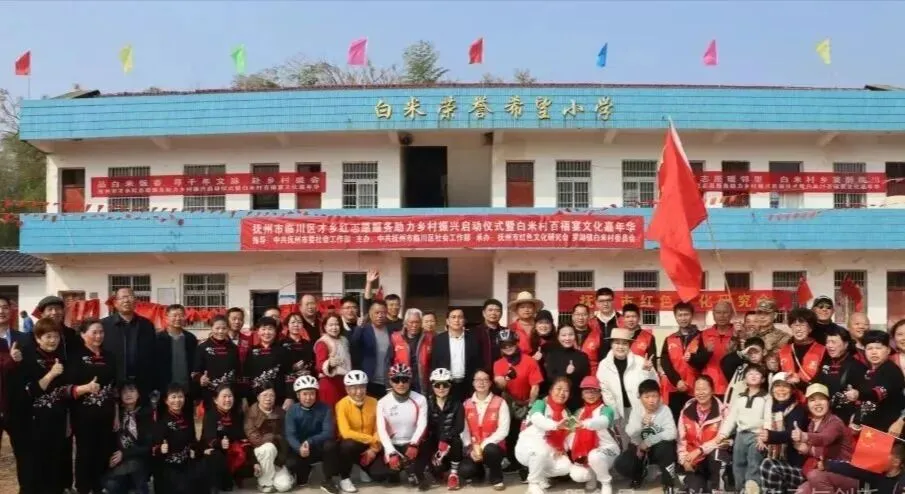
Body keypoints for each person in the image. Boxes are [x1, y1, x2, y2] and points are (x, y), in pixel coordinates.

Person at [22, 317, 101, 494]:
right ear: (38, 338)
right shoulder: (29, 359)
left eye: (56, 336)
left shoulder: (62, 359)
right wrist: (51, 374)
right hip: (36, 421)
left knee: (57, 463)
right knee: (38, 466)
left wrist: (84, 388)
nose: (53, 340)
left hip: (59, 419)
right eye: (48, 336)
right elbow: (31, 391)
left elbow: (66, 390)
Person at [70, 318, 119, 494]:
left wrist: (116, 414)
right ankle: (83, 488)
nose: (99, 336)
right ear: (83, 334)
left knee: (104, 450)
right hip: (84, 414)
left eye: (101, 332)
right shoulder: (75, 356)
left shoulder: (110, 356)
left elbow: (115, 388)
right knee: (85, 452)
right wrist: (85, 388)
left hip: (106, 412)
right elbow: (70, 386)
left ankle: (100, 487)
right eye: (94, 332)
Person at [492, 329, 541, 478]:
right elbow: (500, 384)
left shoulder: (529, 361)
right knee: (510, 433)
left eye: (511, 344)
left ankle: (526, 465)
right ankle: (513, 461)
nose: (508, 347)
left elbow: (535, 386)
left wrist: (531, 405)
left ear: (516, 343)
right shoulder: (498, 364)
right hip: (508, 400)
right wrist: (505, 379)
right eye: (504, 345)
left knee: (526, 434)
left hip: (526, 400)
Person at [713, 364, 769, 494]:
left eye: (757, 374)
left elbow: (768, 419)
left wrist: (764, 436)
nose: (753, 376)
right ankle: (740, 489)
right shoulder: (740, 397)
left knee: (754, 463)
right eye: (750, 373)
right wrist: (722, 434)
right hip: (740, 435)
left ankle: (752, 489)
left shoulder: (766, 397)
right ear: (745, 378)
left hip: (756, 435)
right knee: (738, 464)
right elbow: (732, 418)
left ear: (763, 379)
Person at [596, 328, 658, 445]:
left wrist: (648, 372)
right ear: (611, 344)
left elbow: (654, 385)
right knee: (624, 442)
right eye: (617, 343)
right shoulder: (604, 365)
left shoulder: (641, 362)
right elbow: (605, 391)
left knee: (643, 441)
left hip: (640, 408)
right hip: (619, 411)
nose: (620, 347)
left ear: (629, 345)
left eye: (624, 343)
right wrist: (615, 413)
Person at [372, 363, 430, 489]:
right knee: (379, 474)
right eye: (396, 380)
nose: (401, 384)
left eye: (405, 379)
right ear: (390, 382)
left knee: (417, 475)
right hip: (393, 444)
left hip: (411, 443)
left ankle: (413, 470)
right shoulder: (382, 402)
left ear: (410, 381)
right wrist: (391, 452)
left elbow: (422, 424)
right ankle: (399, 470)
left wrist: (414, 444)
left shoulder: (420, 399)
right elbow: (381, 430)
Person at [790, 383, 855, 494]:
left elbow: (825, 438)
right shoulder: (812, 424)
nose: (817, 403)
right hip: (826, 473)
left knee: (815, 475)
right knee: (801, 491)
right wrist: (805, 449)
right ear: (807, 404)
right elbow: (819, 450)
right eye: (812, 400)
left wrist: (805, 437)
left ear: (828, 402)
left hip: (846, 474)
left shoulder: (835, 422)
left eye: (821, 399)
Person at [614, 379, 678, 490]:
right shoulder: (636, 410)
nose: (651, 400)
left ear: (659, 396)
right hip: (639, 448)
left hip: (658, 448)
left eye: (654, 396)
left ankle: (668, 483)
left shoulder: (665, 410)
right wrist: (641, 423)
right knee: (622, 463)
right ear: (640, 398)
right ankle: (639, 475)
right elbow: (630, 432)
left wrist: (648, 441)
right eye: (647, 397)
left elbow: (672, 433)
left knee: (667, 448)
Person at [515, 377, 576, 494]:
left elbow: (569, 435)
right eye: (559, 389)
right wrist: (555, 425)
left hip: (549, 451)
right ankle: (533, 483)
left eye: (566, 390)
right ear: (551, 390)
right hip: (528, 448)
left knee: (566, 466)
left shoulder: (566, 412)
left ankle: (541, 476)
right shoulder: (540, 403)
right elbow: (536, 418)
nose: (562, 393)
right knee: (540, 451)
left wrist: (563, 448)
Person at [677, 375, 730, 494]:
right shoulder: (686, 411)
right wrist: (683, 460)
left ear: (712, 390)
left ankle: (717, 487)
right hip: (694, 460)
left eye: (704, 389)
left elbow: (722, 439)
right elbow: (681, 439)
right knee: (695, 490)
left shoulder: (723, 411)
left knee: (718, 454)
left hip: (713, 458)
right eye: (697, 389)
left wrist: (700, 450)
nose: (701, 393)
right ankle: (695, 483)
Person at [285, 375, 338, 492]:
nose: (308, 398)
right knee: (292, 466)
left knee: (331, 445)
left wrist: (310, 441)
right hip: (300, 449)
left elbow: (328, 432)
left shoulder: (325, 408)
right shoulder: (292, 410)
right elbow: (290, 434)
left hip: (318, 447)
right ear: (298, 395)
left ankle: (328, 480)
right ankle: (305, 470)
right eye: (304, 394)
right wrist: (299, 448)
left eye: (312, 394)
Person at [102, 287, 157, 400]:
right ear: (115, 303)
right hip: (113, 384)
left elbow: (153, 355)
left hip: (142, 384)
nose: (126, 300)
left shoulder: (146, 325)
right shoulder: (105, 325)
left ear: (135, 301)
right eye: (122, 297)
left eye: (130, 297)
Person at [758, 372, 809, 494]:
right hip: (773, 460)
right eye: (777, 386)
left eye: (785, 386)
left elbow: (792, 434)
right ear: (772, 389)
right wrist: (759, 436)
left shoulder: (798, 409)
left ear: (792, 390)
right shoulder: (767, 409)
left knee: (769, 465)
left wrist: (770, 435)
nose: (781, 390)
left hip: (795, 466)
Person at [567, 376, 619, 494]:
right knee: (578, 475)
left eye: (594, 391)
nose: (591, 395)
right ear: (582, 395)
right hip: (586, 453)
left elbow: (604, 421)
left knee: (595, 456)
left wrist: (585, 424)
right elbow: (568, 432)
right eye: (587, 391)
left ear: (600, 393)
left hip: (608, 449)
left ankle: (606, 483)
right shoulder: (578, 412)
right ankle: (593, 476)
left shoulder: (606, 409)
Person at [461, 368, 512, 489]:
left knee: (490, 450)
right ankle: (479, 471)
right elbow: (464, 430)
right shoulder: (466, 404)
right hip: (474, 448)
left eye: (485, 379)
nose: (481, 382)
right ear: (473, 383)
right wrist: (470, 448)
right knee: (465, 471)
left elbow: (503, 430)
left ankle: (496, 477)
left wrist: (483, 445)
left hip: (493, 447)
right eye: (478, 380)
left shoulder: (500, 402)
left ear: (490, 383)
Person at [334, 370, 383, 493]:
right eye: (354, 388)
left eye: (362, 387)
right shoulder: (341, 405)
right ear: (347, 389)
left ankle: (363, 468)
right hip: (353, 444)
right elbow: (345, 432)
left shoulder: (374, 402)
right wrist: (371, 440)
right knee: (347, 445)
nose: (358, 391)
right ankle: (345, 478)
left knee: (382, 475)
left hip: (371, 446)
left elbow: (379, 428)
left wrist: (374, 449)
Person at [0, 295, 31, 491]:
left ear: (11, 310)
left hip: (19, 406)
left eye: (4, 307)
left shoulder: (24, 338)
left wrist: (21, 361)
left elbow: (31, 369)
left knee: (25, 454)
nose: (1, 311)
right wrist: (10, 361)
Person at [200, 384, 255, 493]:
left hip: (232, 452)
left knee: (250, 466)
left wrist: (254, 461)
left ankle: (233, 476)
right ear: (215, 400)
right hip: (214, 452)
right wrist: (219, 443)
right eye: (224, 396)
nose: (227, 400)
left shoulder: (236, 415)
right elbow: (208, 439)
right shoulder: (210, 415)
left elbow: (242, 437)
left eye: (230, 396)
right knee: (216, 456)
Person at [659, 302, 708, 421]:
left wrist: (693, 358)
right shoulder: (670, 339)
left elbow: (704, 361)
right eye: (680, 315)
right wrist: (677, 381)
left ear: (692, 315)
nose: (683, 318)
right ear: (675, 317)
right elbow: (665, 363)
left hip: (695, 388)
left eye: (686, 314)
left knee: (693, 421)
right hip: (675, 387)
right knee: (675, 420)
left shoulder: (701, 337)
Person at [151, 383, 203, 494]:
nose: (177, 400)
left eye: (180, 396)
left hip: (186, 462)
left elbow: (193, 441)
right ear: (166, 400)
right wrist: (161, 449)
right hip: (168, 466)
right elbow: (154, 449)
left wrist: (199, 448)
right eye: (173, 397)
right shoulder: (162, 421)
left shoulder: (187, 418)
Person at [103, 380, 153, 494]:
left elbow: (148, 447)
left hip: (140, 459)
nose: (128, 394)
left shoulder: (146, 414)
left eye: (132, 391)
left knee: (135, 467)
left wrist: (125, 453)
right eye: (124, 392)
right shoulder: (116, 416)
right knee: (111, 484)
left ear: (138, 394)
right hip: (120, 463)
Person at [850, 330, 905, 433]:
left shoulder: (891, 370)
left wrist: (858, 394)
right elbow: (865, 403)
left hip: (888, 430)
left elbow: (878, 394)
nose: (874, 352)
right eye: (869, 348)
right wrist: (856, 421)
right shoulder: (869, 371)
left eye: (878, 348)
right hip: (870, 431)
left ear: (888, 350)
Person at [244, 385, 294, 493]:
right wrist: (272, 437)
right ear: (258, 397)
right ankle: (265, 483)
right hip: (259, 453)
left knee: (284, 486)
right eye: (265, 395)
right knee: (268, 448)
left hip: (278, 455)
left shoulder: (281, 413)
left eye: (271, 395)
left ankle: (285, 476)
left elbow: (287, 437)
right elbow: (254, 439)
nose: (268, 398)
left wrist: (280, 461)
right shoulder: (251, 413)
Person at [814, 326, 866, 425]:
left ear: (846, 344)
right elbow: (814, 386)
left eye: (833, 342)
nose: (829, 346)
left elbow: (865, 398)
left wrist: (856, 420)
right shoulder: (825, 363)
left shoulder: (857, 367)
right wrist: (798, 382)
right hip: (824, 417)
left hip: (846, 420)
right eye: (828, 342)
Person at [155, 304, 199, 417]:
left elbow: (196, 365)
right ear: (166, 317)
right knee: (165, 422)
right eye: (174, 315)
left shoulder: (190, 339)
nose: (178, 318)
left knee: (186, 422)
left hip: (186, 390)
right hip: (165, 390)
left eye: (181, 315)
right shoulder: (158, 339)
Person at [431, 308, 483, 401]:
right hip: (446, 384)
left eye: (460, 317)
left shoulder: (473, 339)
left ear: (464, 320)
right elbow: (435, 363)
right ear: (447, 321)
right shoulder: (438, 340)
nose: (457, 320)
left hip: (468, 385)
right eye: (453, 317)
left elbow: (478, 362)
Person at [425, 368, 465, 490]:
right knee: (436, 470)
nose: (441, 388)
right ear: (432, 386)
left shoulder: (457, 404)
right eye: (437, 385)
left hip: (451, 442)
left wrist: (445, 439)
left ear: (450, 386)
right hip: (434, 442)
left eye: (445, 385)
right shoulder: (427, 403)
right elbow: (426, 426)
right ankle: (438, 469)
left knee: (457, 441)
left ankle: (454, 474)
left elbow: (459, 427)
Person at [193, 315, 240, 410]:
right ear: (211, 328)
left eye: (224, 328)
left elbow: (238, 371)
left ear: (228, 328)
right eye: (217, 328)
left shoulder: (233, 348)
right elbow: (195, 372)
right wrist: (200, 378)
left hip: (229, 394)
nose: (220, 331)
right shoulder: (202, 347)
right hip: (210, 393)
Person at [349, 300, 393, 398]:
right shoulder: (363, 329)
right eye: (377, 313)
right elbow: (353, 345)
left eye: (383, 313)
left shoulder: (392, 330)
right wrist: (359, 328)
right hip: (368, 380)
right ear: (370, 313)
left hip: (388, 381)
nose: (380, 316)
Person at [543, 324, 590, 410]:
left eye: (570, 334)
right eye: (563, 335)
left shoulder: (582, 356)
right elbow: (550, 378)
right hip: (557, 400)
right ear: (558, 337)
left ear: (575, 336)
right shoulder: (552, 355)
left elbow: (585, 380)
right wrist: (566, 373)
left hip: (577, 401)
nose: (567, 338)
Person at [244, 317, 289, 406]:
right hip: (255, 397)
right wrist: (244, 397)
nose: (267, 332)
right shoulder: (251, 351)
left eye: (270, 329)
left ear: (275, 332)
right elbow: (246, 375)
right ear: (258, 332)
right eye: (263, 329)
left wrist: (289, 397)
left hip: (278, 397)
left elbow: (289, 374)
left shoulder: (283, 351)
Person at [778, 307, 826, 393]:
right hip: (787, 395)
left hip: (812, 395)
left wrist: (800, 383)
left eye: (802, 325)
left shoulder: (822, 350)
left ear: (810, 328)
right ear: (790, 327)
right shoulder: (783, 350)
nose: (798, 329)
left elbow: (823, 380)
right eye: (795, 325)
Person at [313, 314, 352, 408]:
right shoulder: (323, 342)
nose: (334, 328)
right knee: (331, 412)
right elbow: (319, 365)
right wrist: (329, 364)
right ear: (325, 327)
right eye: (331, 325)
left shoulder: (344, 340)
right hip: (329, 383)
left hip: (345, 381)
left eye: (337, 324)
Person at [391, 308, 434, 394]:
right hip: (401, 381)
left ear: (421, 323)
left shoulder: (429, 338)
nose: (414, 325)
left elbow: (433, 363)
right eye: (411, 322)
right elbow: (388, 362)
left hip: (421, 382)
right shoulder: (395, 338)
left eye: (417, 322)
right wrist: (389, 385)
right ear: (405, 323)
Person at [700, 300, 735, 396]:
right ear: (713, 314)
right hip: (709, 385)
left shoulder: (738, 334)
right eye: (718, 312)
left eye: (725, 312)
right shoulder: (704, 334)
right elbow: (696, 361)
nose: (721, 316)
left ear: (731, 314)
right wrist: (706, 352)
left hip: (731, 384)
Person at [281, 312, 316, 408]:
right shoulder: (281, 344)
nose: (296, 325)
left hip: (306, 386)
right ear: (287, 325)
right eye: (293, 322)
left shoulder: (308, 344)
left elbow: (312, 364)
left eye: (299, 322)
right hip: (288, 388)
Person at [720, 337, 767, 405]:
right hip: (735, 405)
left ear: (764, 352)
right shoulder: (739, 368)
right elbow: (725, 362)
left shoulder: (767, 370)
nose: (753, 356)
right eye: (750, 353)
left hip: (757, 406)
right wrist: (742, 353)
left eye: (756, 352)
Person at [569, 304, 603, 376]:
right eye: (577, 314)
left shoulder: (597, 336)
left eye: (584, 314)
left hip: (591, 377)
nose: (580, 317)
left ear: (589, 316)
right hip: (569, 376)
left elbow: (602, 360)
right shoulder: (565, 335)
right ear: (572, 316)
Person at [588, 288, 621, 358]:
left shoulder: (622, 320)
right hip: (596, 363)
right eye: (601, 301)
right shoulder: (591, 322)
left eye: (608, 300)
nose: (605, 304)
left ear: (613, 301)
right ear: (596, 303)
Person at [474, 299, 504, 365]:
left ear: (501, 314)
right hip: (482, 370)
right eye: (490, 310)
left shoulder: (505, 332)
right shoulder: (474, 332)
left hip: (502, 370)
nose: (493, 313)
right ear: (484, 313)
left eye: (497, 310)